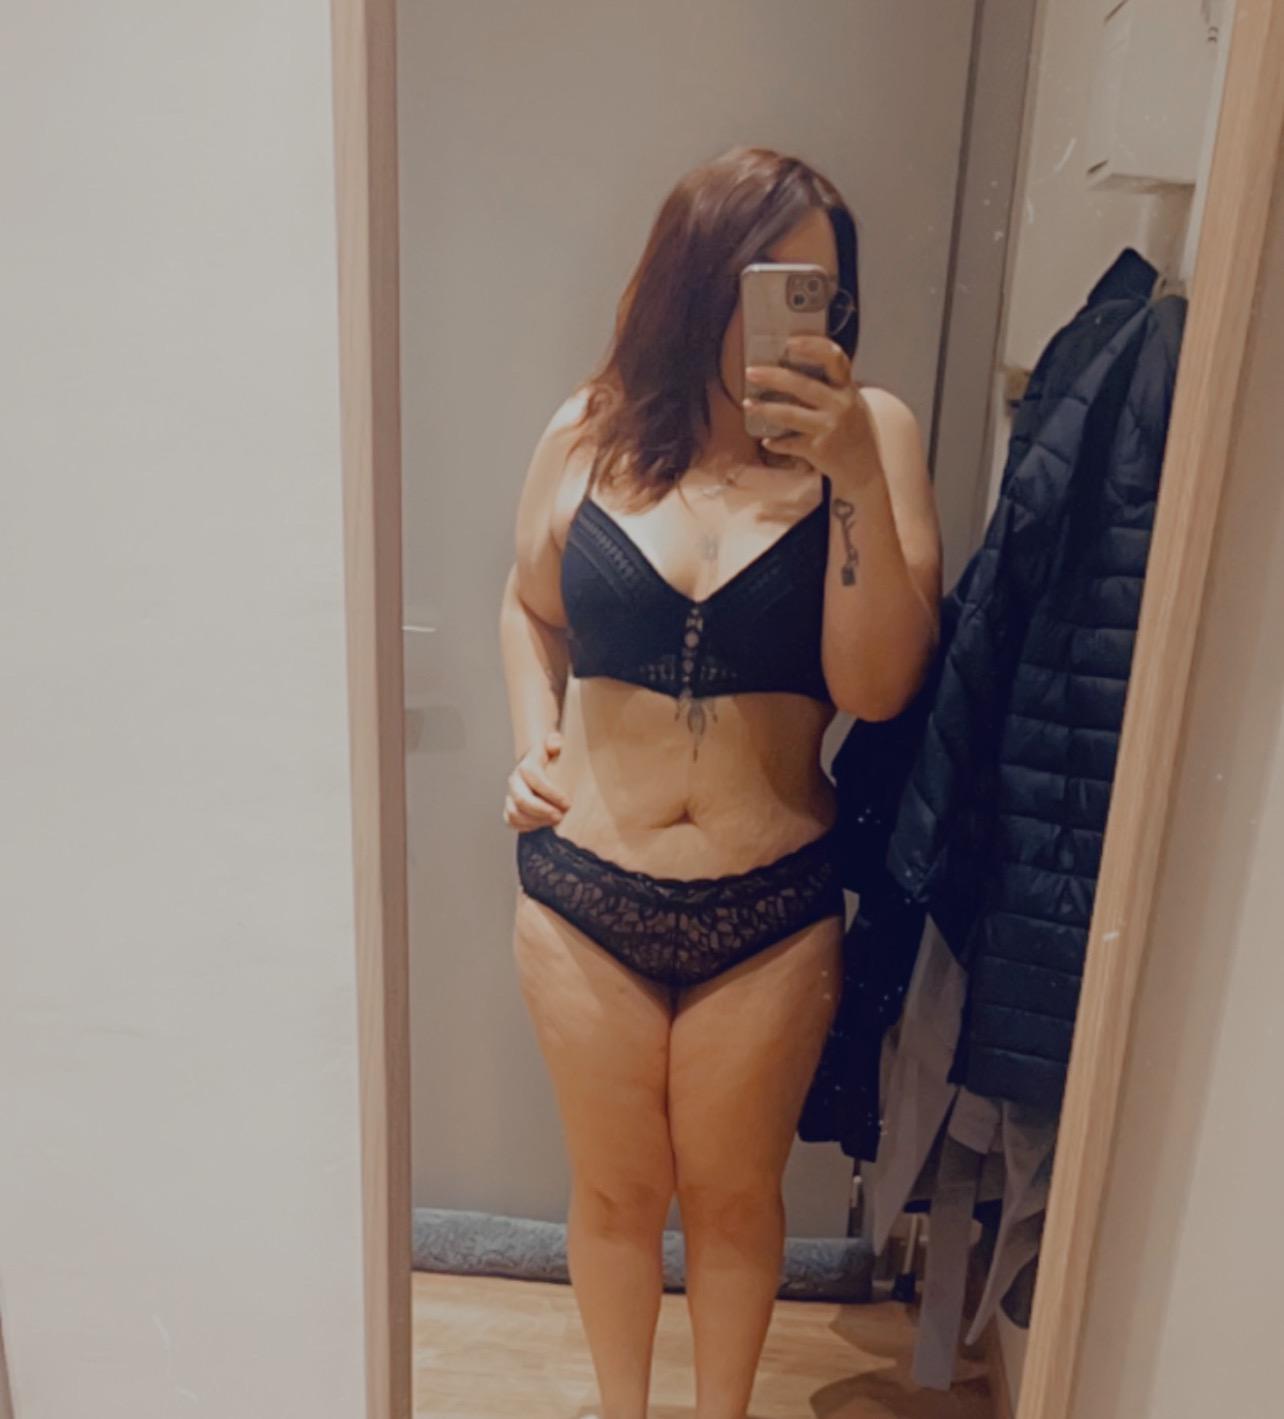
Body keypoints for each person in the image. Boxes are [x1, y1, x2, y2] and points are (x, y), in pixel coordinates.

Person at [497, 145, 941, 1419]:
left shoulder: (874, 436)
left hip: (769, 903)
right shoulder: (588, 429)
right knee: (614, 1194)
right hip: (583, 892)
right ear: (697, 280)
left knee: (738, 1202)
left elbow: (876, 685)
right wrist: (534, 738)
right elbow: (526, 604)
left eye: (822, 292)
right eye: (769, 283)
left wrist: (851, 475)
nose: (800, 317)